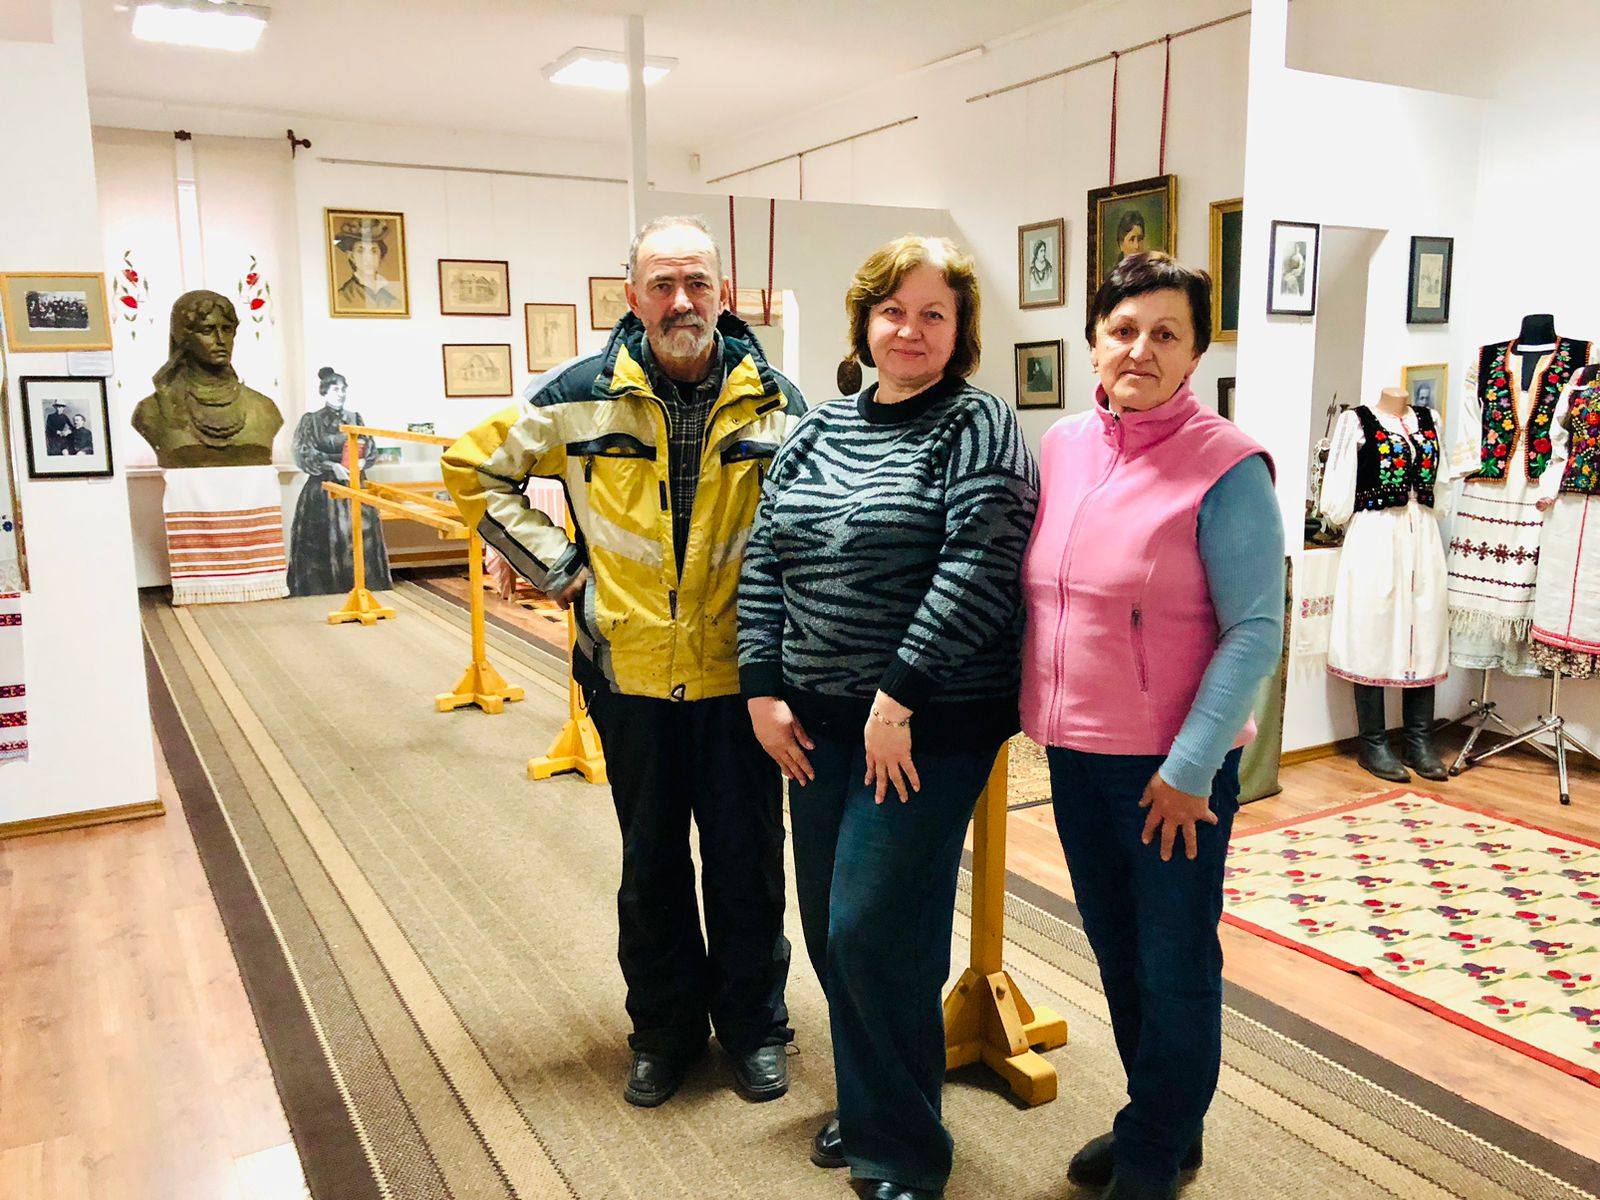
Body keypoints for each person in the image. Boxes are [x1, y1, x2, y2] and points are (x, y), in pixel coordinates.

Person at [442, 215, 806, 1109]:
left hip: (739, 680)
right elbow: (470, 468)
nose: (681, 302)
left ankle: (754, 1029)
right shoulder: (578, 394)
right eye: (662, 285)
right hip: (628, 676)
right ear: (633, 296)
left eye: (698, 283)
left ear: (724, 293)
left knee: (749, 862)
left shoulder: (779, 403)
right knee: (650, 867)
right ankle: (665, 1032)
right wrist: (557, 567)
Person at [740, 235, 1038, 1200]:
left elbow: (980, 566)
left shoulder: (979, 424)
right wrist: (761, 687)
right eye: (893, 311)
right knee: (834, 930)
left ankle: (902, 1150)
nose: (910, 330)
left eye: (933, 314)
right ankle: (878, 1099)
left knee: (875, 929)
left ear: (961, 330)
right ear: (864, 322)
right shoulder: (818, 429)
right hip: (816, 723)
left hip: (928, 726)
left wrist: (898, 696)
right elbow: (764, 555)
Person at [1020, 252, 1284, 1200]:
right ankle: (1169, 1126)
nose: (1140, 349)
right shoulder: (1062, 447)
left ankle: (1149, 1153)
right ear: (1094, 341)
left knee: (1174, 964)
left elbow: (1256, 631)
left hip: (1174, 773)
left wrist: (1188, 767)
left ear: (1196, 352)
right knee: (1119, 952)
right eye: (1123, 330)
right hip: (1074, 756)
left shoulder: (1228, 467)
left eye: (1166, 333)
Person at [287, 367, 392, 597]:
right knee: (321, 538)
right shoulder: (311, 421)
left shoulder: (355, 419)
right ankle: (321, 588)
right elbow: (303, 452)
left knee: (358, 536)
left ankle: (362, 586)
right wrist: (330, 465)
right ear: (324, 392)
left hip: (354, 485)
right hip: (323, 489)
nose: (341, 393)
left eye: (344, 389)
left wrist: (363, 462)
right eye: (336, 389)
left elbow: (370, 447)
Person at [333, 218, 402, 310]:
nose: (368, 258)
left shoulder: (393, 292)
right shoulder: (343, 296)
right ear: (352, 256)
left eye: (374, 251)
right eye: (361, 251)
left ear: (380, 255)